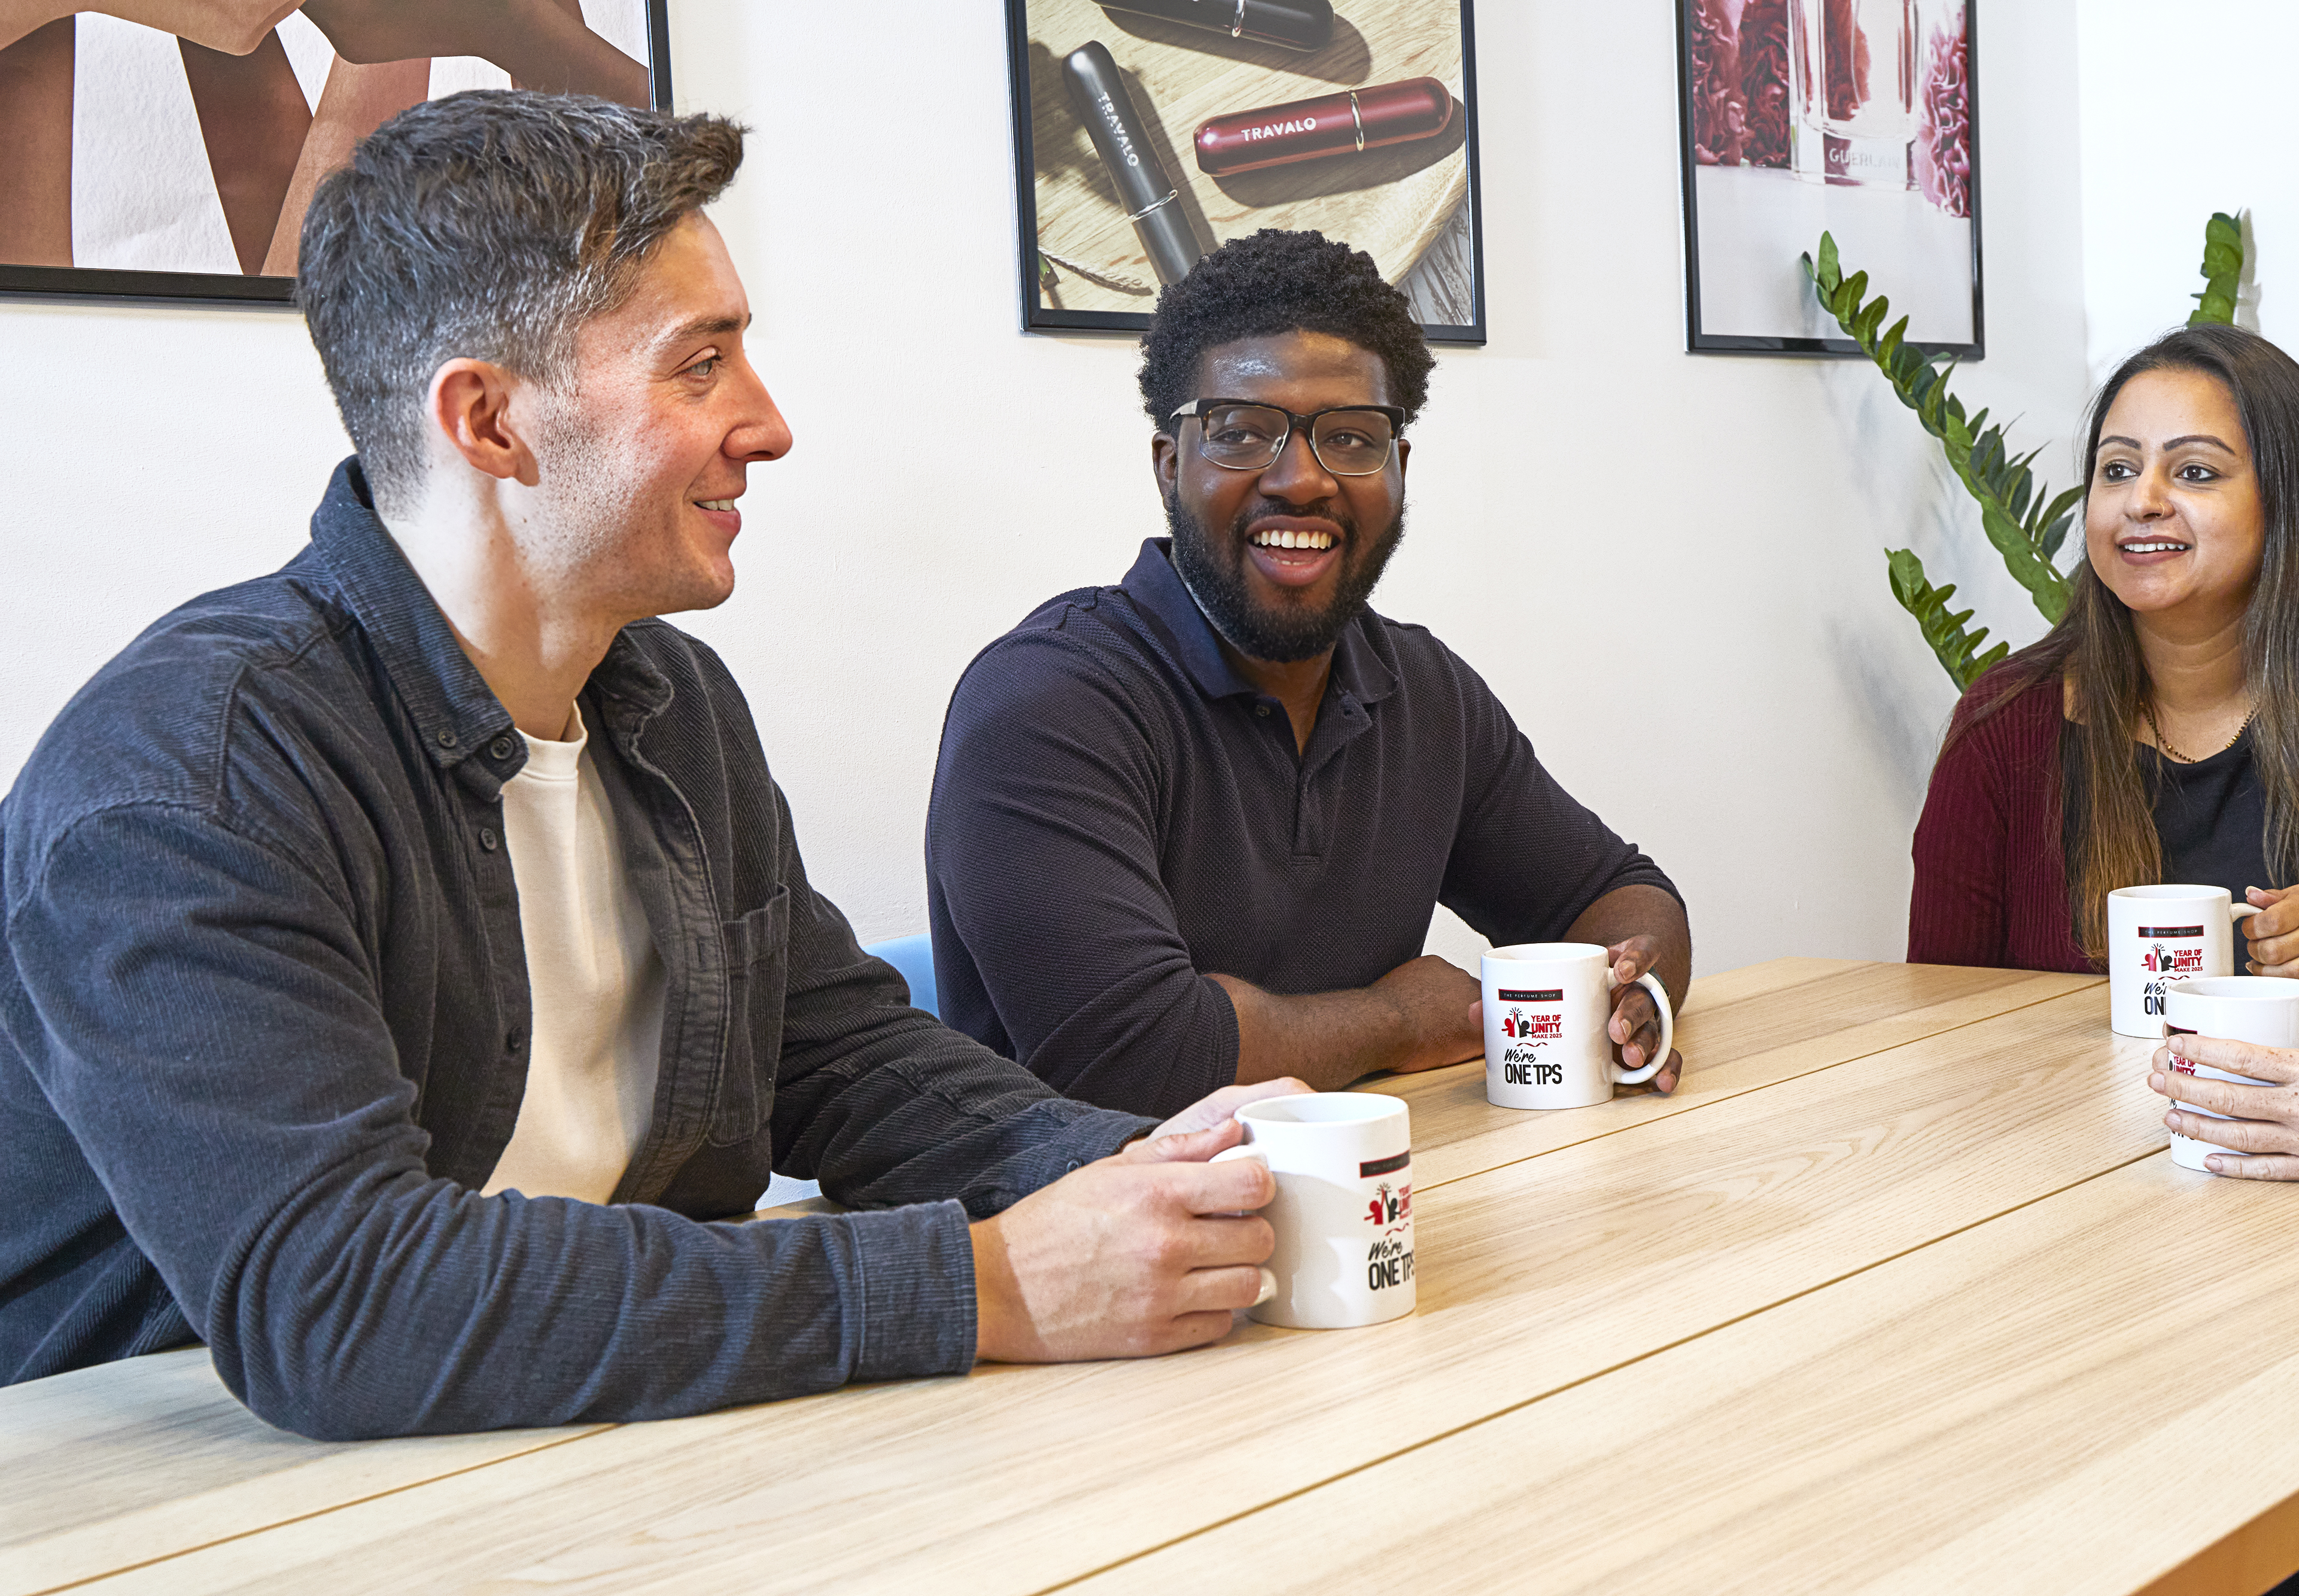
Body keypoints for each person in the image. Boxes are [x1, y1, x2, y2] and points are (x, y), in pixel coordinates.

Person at [0, 92, 1297, 1439]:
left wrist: (1153, 1164)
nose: (769, 423)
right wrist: (990, 1284)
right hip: (141, 1505)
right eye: (699, 365)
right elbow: (343, 1307)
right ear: (491, 425)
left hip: (592, 1456)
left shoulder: (668, 702)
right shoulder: (186, 778)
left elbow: (834, 1059)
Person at [924, 229, 1689, 1120]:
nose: (1302, 480)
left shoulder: (1425, 693)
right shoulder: (1046, 706)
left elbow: (1620, 897)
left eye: (1353, 439)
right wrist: (1398, 1018)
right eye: (1242, 432)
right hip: (1105, 1234)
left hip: (1372, 1204)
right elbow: (1136, 1060)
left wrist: (1632, 995)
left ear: (1401, 470)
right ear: (1171, 466)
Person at [1910, 324, 2299, 983]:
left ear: (2288, 501)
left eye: (2194, 472)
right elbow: (1938, 1017)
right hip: (2068, 1091)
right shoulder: (2003, 725)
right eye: (2117, 470)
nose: (2141, 501)